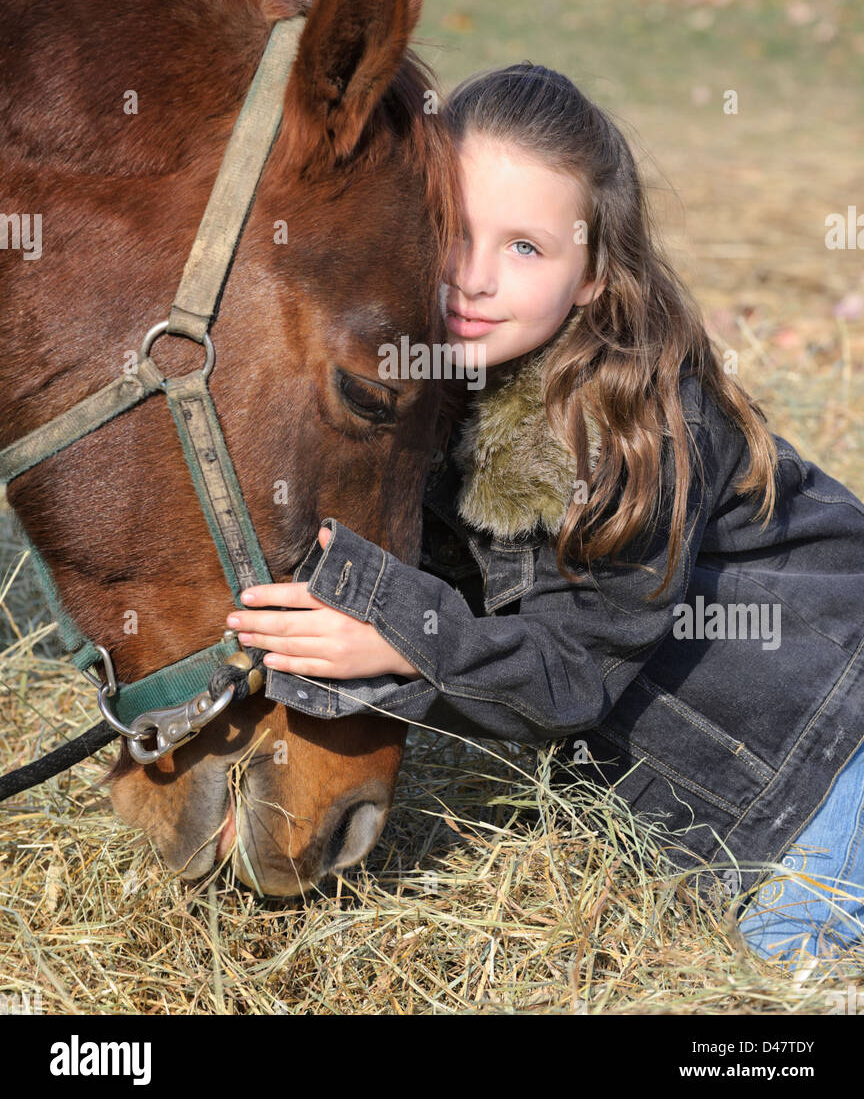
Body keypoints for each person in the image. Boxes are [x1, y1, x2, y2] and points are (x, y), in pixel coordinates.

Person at [225, 62, 864, 971]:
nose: (475, 278)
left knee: (787, 996)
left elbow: (570, 678)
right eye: (452, 231)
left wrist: (406, 640)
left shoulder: (615, 432)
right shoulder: (435, 381)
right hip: (763, 806)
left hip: (826, 782)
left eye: (525, 247)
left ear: (596, 275)